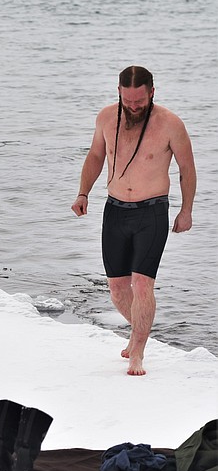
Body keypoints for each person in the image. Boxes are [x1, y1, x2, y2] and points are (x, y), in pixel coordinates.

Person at [71, 65, 196, 376]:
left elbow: (187, 170)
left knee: (142, 284)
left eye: (139, 101)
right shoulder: (106, 117)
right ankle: (141, 330)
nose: (134, 107)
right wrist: (83, 193)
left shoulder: (170, 124)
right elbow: (96, 156)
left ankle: (137, 352)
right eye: (128, 101)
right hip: (115, 210)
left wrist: (186, 210)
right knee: (117, 288)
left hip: (151, 212)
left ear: (152, 92)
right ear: (119, 93)